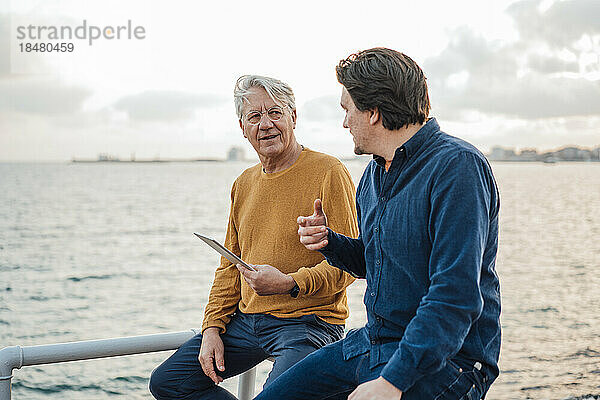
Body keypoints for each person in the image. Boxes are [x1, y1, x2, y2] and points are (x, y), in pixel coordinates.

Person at [255, 48, 501, 400]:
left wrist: (393, 382)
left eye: (347, 109)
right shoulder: (373, 174)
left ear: (373, 112)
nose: (344, 122)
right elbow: (377, 262)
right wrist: (330, 243)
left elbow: (455, 295)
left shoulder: (458, 167)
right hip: (373, 342)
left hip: (449, 360)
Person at [149, 75, 358, 400]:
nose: (266, 124)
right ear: (242, 126)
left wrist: (288, 283)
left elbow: (350, 266)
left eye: (275, 112)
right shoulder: (243, 183)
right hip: (247, 323)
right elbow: (229, 266)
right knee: (169, 383)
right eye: (255, 116)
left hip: (309, 324)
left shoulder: (329, 171)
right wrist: (213, 327)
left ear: (293, 117)